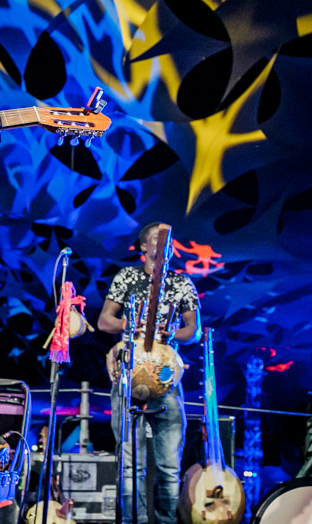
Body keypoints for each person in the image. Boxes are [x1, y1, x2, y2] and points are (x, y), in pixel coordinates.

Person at [98, 222, 202, 524]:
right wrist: (134, 326)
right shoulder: (127, 277)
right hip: (129, 374)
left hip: (167, 379)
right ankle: (136, 521)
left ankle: (166, 521)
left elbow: (192, 331)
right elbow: (105, 321)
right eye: (159, 237)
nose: (167, 241)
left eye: (170, 238)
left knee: (169, 466)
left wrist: (169, 331)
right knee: (130, 465)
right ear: (144, 246)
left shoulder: (182, 283)